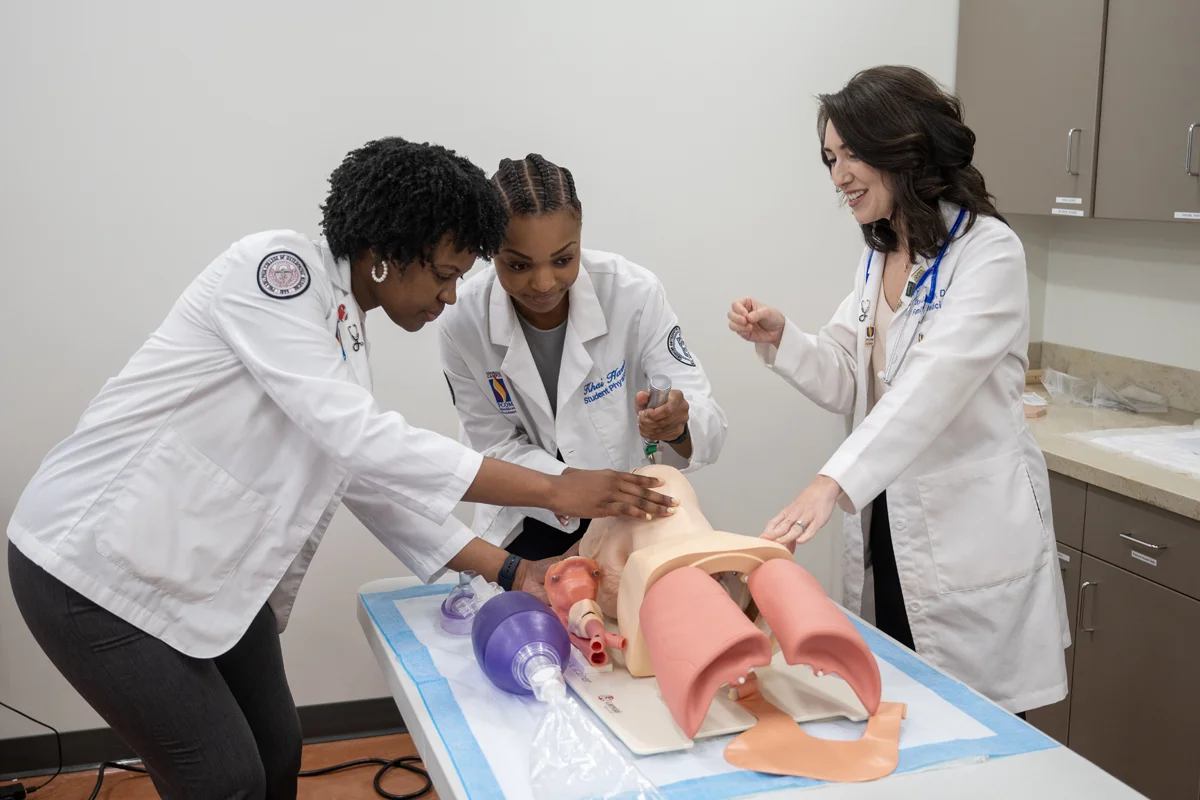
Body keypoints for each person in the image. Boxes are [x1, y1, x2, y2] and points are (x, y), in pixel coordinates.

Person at [6, 137, 678, 799]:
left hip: (188, 567)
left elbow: (369, 480)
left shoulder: (343, 339)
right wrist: (558, 485)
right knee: (223, 781)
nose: (448, 298)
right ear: (387, 255)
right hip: (90, 566)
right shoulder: (274, 271)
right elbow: (363, 442)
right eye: (444, 274)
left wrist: (511, 570)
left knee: (277, 750)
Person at [728, 66, 1069, 717]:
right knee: (904, 714)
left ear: (903, 144)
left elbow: (929, 390)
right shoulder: (880, 256)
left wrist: (830, 481)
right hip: (892, 521)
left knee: (978, 735)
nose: (838, 175)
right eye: (830, 158)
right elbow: (848, 375)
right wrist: (782, 339)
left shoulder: (988, 253)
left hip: (968, 537)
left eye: (851, 152)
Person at [438, 153, 727, 562]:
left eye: (562, 260)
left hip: (627, 509)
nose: (542, 283)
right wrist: (567, 485)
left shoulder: (634, 294)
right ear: (490, 251)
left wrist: (679, 426)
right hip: (526, 514)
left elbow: (706, 415)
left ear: (580, 234)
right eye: (518, 265)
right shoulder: (462, 320)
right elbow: (492, 446)